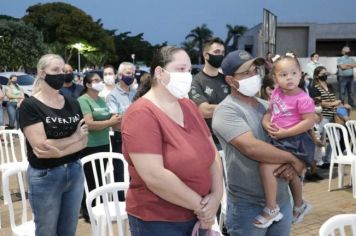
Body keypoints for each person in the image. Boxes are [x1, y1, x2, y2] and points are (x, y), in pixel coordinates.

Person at [121, 46, 223, 236]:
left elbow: (212, 153)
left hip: (200, 214)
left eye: (189, 70)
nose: (187, 75)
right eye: (181, 69)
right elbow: (155, 176)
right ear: (160, 72)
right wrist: (201, 206)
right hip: (160, 220)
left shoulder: (189, 106)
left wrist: (216, 195)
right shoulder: (141, 114)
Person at [212, 50, 305, 236]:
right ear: (231, 80)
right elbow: (252, 148)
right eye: (246, 73)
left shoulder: (267, 106)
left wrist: (295, 164)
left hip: (282, 200)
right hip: (248, 206)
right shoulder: (226, 111)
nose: (253, 76)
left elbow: (295, 138)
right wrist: (292, 159)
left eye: (255, 71)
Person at [18, 54, 88, 236]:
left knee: (68, 229)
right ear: (42, 73)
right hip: (46, 176)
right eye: (55, 70)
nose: (61, 74)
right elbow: (41, 147)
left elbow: (84, 141)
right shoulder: (30, 106)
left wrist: (58, 150)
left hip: (74, 171)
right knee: (47, 230)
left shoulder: (72, 103)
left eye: (63, 70)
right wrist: (74, 138)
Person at [255, 55, 315, 228]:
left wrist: (286, 132)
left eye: (293, 73)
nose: (289, 77)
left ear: (300, 75)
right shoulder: (276, 93)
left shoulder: (302, 98)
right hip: (282, 139)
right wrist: (266, 123)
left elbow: (309, 121)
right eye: (283, 75)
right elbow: (269, 113)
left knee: (266, 167)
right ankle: (299, 204)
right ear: (275, 78)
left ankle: (272, 208)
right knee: (291, 174)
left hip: (296, 140)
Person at [77, 72, 121, 222]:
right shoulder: (83, 100)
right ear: (88, 85)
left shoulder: (102, 100)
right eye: (96, 80)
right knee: (89, 180)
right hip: (89, 145)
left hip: (103, 143)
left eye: (99, 80)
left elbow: (111, 118)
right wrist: (109, 123)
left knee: (100, 178)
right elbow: (89, 124)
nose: (100, 82)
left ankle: (98, 208)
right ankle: (88, 211)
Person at [188, 37, 229, 150]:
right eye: (216, 52)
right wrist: (233, 108)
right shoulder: (196, 81)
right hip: (210, 142)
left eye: (222, 52)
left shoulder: (227, 79)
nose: (220, 55)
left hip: (230, 138)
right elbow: (204, 110)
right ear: (206, 55)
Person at [106, 62, 136, 199]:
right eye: (128, 73)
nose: (131, 76)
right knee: (119, 169)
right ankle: (120, 200)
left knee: (135, 169)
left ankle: (134, 198)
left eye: (132, 73)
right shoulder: (113, 95)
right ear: (119, 75)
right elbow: (115, 122)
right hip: (120, 136)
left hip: (136, 137)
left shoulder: (136, 93)